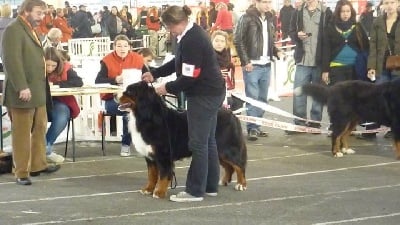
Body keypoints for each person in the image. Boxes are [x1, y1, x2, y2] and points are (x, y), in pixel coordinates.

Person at [142, 5, 225, 202]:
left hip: (203, 95)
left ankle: (195, 191)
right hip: (211, 92)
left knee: (197, 143)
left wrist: (166, 88)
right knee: (208, 140)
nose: (169, 32)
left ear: (177, 23)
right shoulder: (187, 35)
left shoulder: (193, 40)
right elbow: (177, 62)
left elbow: (189, 77)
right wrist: (156, 72)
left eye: (170, 28)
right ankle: (210, 186)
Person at [1, 0, 60, 186]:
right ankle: (21, 172)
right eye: (38, 13)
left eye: (43, 13)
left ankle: (37, 165)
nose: (42, 17)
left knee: (40, 128)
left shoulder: (31, 29)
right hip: (23, 92)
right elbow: (11, 60)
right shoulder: (13, 29)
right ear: (26, 11)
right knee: (21, 133)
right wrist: (21, 86)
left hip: (38, 92)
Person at [234, 0, 283, 140]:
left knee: (262, 99)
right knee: (253, 98)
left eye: (269, 2)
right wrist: (246, 61)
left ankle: (257, 125)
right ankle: (252, 128)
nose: (267, 5)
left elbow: (268, 41)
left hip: (267, 64)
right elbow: (238, 40)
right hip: (252, 65)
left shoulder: (270, 18)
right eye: (264, 2)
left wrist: (276, 51)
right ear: (256, 2)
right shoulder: (246, 17)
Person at [95, 34, 148, 157]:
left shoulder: (138, 59)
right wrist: (115, 79)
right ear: (114, 47)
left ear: (130, 47)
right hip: (111, 99)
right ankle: (125, 144)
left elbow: (147, 76)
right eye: (119, 46)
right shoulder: (107, 60)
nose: (122, 48)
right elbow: (98, 80)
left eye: (125, 46)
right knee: (128, 110)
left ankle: (147, 141)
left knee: (146, 108)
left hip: (135, 98)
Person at [286, 0, 332, 134]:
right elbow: (291, 31)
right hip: (303, 60)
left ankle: (315, 123)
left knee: (318, 93)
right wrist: (296, 35)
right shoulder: (298, 12)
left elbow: (329, 37)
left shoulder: (326, 12)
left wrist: (326, 66)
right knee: (299, 91)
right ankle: (299, 122)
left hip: (319, 61)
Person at [365, 0, 400, 139]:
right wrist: (371, 66)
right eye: (387, 2)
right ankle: (372, 128)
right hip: (381, 65)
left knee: (397, 100)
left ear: (398, 3)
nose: (389, 5)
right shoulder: (377, 22)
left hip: (398, 66)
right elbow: (372, 45)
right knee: (378, 98)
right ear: (383, 5)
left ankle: (395, 129)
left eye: (392, 2)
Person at [45, 47, 83, 163]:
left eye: (53, 66)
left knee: (62, 114)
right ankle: (45, 150)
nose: (50, 69)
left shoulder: (66, 68)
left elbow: (78, 82)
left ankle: (45, 148)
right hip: (40, 102)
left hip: (59, 101)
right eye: (48, 65)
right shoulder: (34, 67)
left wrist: (57, 84)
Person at [321, 0, 369, 86]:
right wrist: (325, 70)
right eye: (342, 11)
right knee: (339, 98)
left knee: (355, 98)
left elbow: (366, 47)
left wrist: (369, 67)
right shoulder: (330, 28)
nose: (345, 14)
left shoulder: (357, 26)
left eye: (348, 11)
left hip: (356, 68)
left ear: (351, 12)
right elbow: (326, 50)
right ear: (338, 12)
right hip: (336, 69)